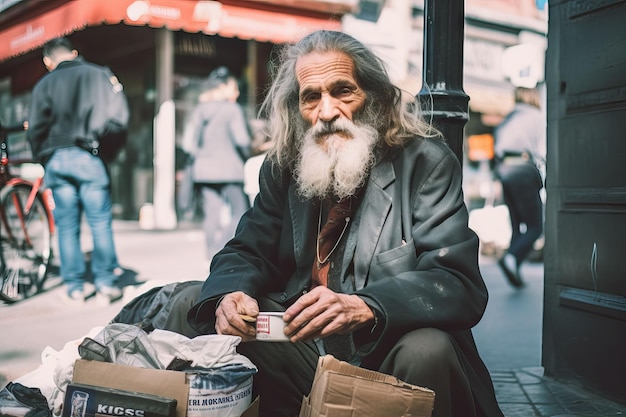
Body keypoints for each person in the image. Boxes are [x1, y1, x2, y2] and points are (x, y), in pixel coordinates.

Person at [184, 30, 504, 417]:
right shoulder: (283, 167)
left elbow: (457, 282)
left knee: (428, 347)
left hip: (386, 354)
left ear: (376, 98)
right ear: (297, 109)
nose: (328, 110)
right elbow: (248, 248)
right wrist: (229, 296)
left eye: (343, 91)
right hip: (310, 354)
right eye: (312, 97)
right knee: (222, 314)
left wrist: (366, 306)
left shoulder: (424, 163)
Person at [27, 37, 125, 304]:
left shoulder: (43, 84)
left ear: (48, 61)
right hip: (90, 156)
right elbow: (119, 120)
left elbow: (36, 128)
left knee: (67, 226)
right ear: (74, 53)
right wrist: (106, 154)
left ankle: (75, 286)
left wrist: (43, 158)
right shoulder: (101, 75)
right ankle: (106, 283)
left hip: (57, 159)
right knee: (99, 222)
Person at [181, 67, 252, 264]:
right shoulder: (232, 110)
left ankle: (211, 253)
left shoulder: (199, 110)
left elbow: (188, 143)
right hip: (230, 169)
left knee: (211, 214)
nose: (237, 93)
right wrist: (248, 155)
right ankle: (223, 248)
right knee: (240, 211)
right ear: (223, 88)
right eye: (234, 88)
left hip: (203, 170)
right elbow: (242, 140)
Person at [494, 86, 546, 287]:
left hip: (504, 171)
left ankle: (514, 268)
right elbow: (542, 150)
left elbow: (497, 149)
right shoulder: (536, 117)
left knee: (517, 226)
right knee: (535, 227)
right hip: (523, 170)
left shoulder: (507, 119)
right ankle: (512, 258)